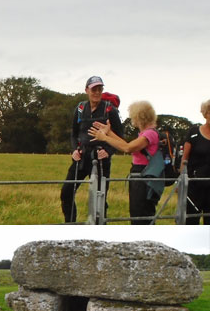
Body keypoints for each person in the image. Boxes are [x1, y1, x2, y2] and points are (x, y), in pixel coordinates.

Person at [60, 76, 123, 223]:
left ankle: (100, 228)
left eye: (100, 89)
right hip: (81, 158)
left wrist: (108, 151)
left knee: (99, 198)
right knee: (66, 193)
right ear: (87, 90)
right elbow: (74, 134)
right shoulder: (80, 109)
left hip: (101, 159)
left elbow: (120, 136)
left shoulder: (110, 110)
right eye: (94, 89)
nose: (97, 92)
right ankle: (70, 225)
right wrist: (75, 150)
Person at [89, 101, 161, 225]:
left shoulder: (150, 134)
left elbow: (127, 148)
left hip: (144, 177)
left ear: (139, 117)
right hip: (141, 175)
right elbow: (125, 144)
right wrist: (109, 132)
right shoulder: (146, 133)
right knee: (137, 212)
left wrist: (105, 138)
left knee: (141, 214)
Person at [181, 100, 210, 224]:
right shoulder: (193, 132)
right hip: (194, 186)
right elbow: (184, 159)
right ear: (205, 114)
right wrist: (182, 181)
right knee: (191, 221)